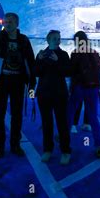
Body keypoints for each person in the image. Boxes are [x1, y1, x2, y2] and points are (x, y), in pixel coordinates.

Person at [0, 12, 36, 159]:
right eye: (5, 22)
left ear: (17, 24)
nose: (7, 24)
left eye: (11, 22)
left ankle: (15, 145)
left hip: (17, 81)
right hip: (1, 81)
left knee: (17, 114)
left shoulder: (23, 40)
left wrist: (32, 82)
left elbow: (30, 61)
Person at [35, 30, 71, 165]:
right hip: (44, 94)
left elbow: (68, 72)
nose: (57, 40)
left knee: (62, 123)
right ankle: (47, 149)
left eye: (59, 38)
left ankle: (66, 150)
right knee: (46, 123)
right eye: (55, 38)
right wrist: (38, 60)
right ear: (48, 40)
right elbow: (36, 72)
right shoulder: (42, 55)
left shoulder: (63, 55)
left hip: (60, 94)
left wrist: (57, 62)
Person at [66, 31, 100, 158]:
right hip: (93, 88)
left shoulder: (76, 53)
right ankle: (99, 146)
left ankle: (64, 140)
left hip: (79, 88)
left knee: (70, 113)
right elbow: (99, 66)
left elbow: (71, 71)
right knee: (93, 117)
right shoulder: (94, 53)